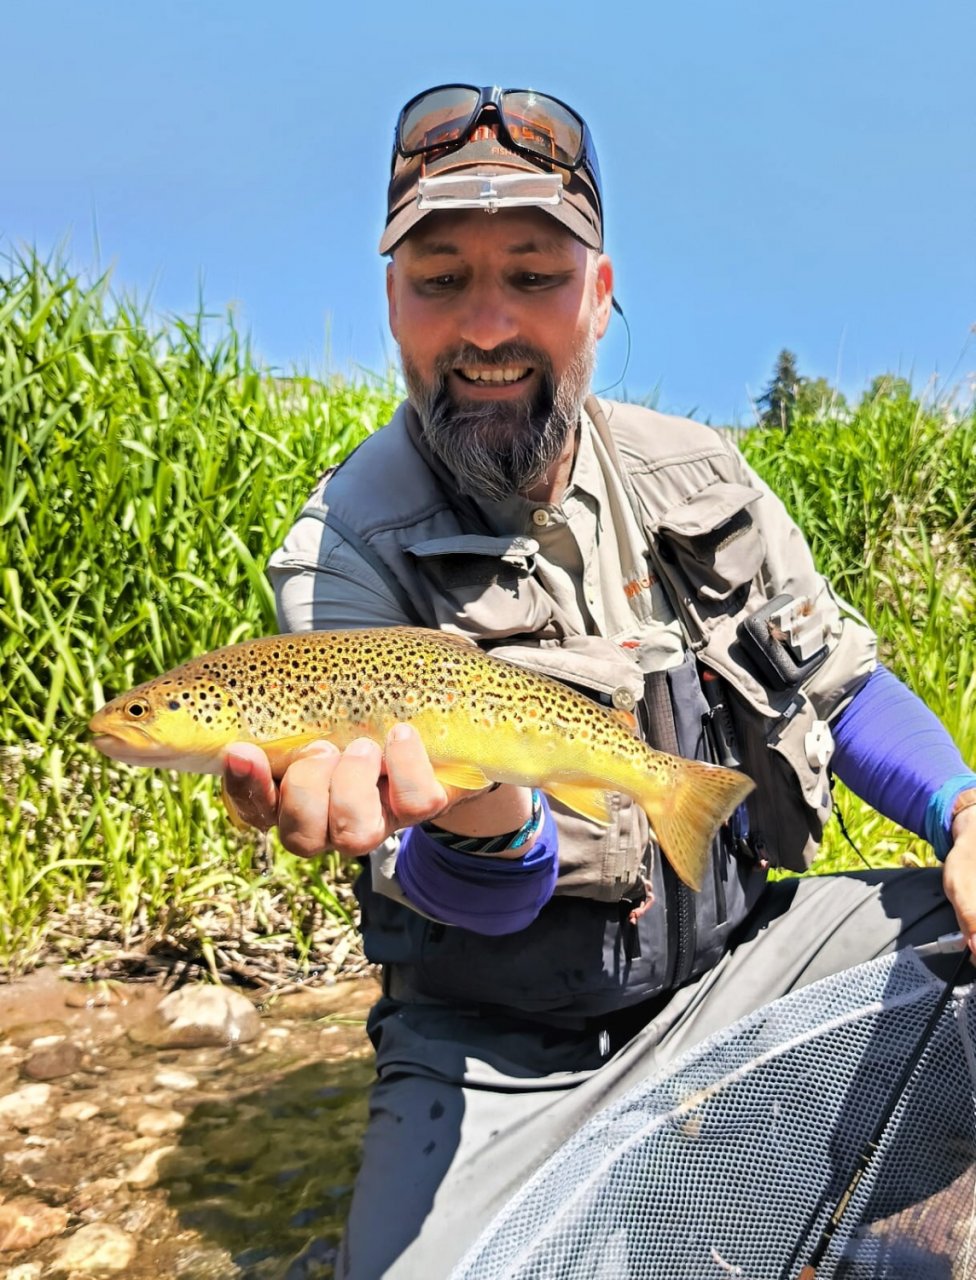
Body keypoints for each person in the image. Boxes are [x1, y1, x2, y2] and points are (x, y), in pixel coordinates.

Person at [223, 84, 976, 1278]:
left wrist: (964, 810)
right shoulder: (347, 556)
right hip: (495, 1053)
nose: (485, 327)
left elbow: (840, 681)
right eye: (439, 279)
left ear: (602, 294)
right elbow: (460, 888)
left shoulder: (701, 474)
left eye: (531, 274)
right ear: (390, 304)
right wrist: (482, 811)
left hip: (738, 964)